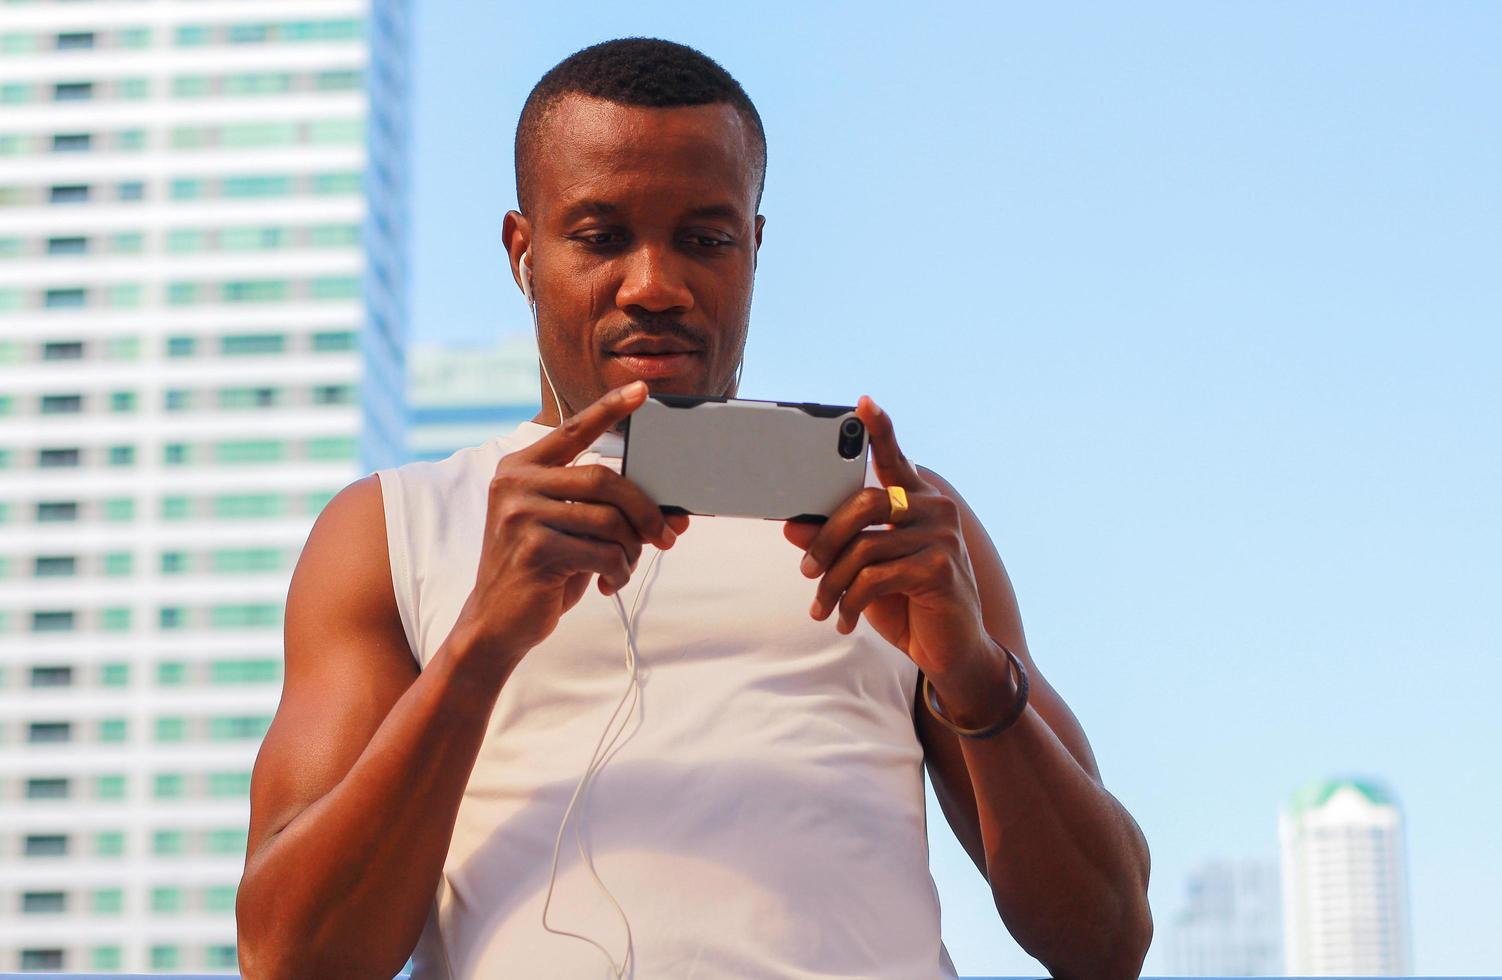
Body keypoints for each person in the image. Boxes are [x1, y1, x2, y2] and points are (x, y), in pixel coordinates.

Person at [236, 38, 1151, 980]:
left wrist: (966, 670)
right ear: (523, 252)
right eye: (599, 238)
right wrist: (481, 646)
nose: (655, 287)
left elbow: (1108, 936)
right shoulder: (394, 528)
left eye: (704, 239)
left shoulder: (892, 522)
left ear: (754, 246)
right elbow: (289, 958)